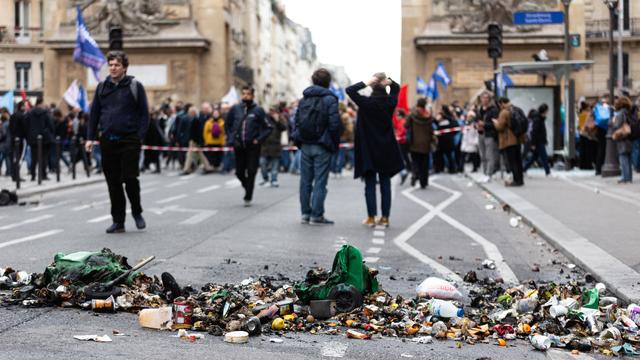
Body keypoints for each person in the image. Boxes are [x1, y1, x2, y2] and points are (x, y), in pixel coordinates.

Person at [86, 50, 150, 234]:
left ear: (124, 67)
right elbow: (94, 115)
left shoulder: (135, 86)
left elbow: (145, 115)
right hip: (108, 141)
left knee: (130, 179)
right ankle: (118, 221)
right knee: (113, 183)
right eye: (111, 65)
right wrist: (90, 138)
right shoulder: (102, 87)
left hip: (129, 139)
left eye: (117, 65)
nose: (113, 68)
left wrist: (139, 137)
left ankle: (137, 212)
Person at [347, 73, 403, 228]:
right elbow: (396, 88)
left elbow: (350, 90)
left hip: (368, 149)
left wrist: (366, 82)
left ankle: (371, 217)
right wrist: (389, 82)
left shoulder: (365, 102)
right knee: (385, 183)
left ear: (372, 87)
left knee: (369, 184)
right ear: (384, 86)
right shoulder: (390, 102)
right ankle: (385, 218)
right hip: (385, 148)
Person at [294, 68, 342, 225]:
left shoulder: (304, 99)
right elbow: (334, 124)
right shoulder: (330, 99)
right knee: (320, 181)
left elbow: (296, 121)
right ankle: (316, 215)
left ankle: (305, 214)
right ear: (328, 82)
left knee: (305, 181)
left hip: (305, 144)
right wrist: (333, 143)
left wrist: (298, 140)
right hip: (322, 144)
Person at [225, 85, 272, 206]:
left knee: (251, 171)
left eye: (248, 94)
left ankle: (248, 195)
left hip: (253, 147)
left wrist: (258, 140)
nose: (245, 96)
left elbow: (268, 128)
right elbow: (227, 124)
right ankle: (247, 187)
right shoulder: (235, 109)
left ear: (252, 96)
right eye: (244, 94)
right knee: (239, 172)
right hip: (239, 145)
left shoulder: (258, 110)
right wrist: (231, 138)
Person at [494, 97, 524, 187]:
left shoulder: (504, 112)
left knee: (512, 161)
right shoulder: (516, 109)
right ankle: (520, 180)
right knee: (518, 160)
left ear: (501, 103)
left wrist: (495, 123)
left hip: (508, 140)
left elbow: (500, 127)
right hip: (518, 138)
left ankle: (516, 180)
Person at [405, 98, 433, 188]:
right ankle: (423, 182)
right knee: (424, 164)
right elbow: (431, 130)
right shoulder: (428, 116)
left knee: (415, 162)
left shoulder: (412, 115)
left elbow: (406, 125)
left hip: (414, 144)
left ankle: (414, 174)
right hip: (425, 144)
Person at [25, 97, 54, 181]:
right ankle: (43, 175)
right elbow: (50, 125)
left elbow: (26, 125)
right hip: (44, 138)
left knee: (34, 158)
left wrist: (29, 135)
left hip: (33, 139)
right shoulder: (45, 113)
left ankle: (33, 175)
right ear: (41, 103)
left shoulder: (29, 113)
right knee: (44, 158)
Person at [260, 106, 287, 187]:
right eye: (271, 111)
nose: (273, 113)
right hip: (265, 146)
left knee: (275, 166)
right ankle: (265, 178)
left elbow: (284, 128)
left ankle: (274, 180)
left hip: (276, 147)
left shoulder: (280, 120)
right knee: (262, 163)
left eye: (274, 112)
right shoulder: (265, 119)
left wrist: (277, 120)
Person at [476, 92, 500, 181]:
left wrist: (484, 124)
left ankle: (489, 174)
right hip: (481, 133)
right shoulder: (479, 109)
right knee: (482, 155)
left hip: (489, 134)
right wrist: (477, 125)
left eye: (486, 98)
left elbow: (495, 124)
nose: (484, 100)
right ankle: (484, 172)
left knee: (489, 155)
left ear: (489, 99)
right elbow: (477, 120)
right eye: (483, 98)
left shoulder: (493, 110)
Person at [523, 104, 551, 175]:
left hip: (539, 141)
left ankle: (524, 169)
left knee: (534, 157)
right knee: (544, 157)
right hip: (538, 142)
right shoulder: (537, 119)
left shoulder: (540, 119)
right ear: (544, 111)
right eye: (547, 111)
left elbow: (542, 131)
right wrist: (533, 143)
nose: (547, 112)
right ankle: (548, 172)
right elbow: (534, 132)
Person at [611, 96, 633, 183]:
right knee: (628, 158)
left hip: (622, 137)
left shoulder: (620, 113)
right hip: (629, 137)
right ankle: (629, 177)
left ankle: (625, 178)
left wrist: (613, 121)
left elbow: (617, 125)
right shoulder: (629, 112)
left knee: (623, 157)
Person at [593, 94, 611, 175]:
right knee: (603, 149)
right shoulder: (606, 107)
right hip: (605, 129)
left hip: (600, 129)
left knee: (600, 149)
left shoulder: (597, 107)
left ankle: (598, 168)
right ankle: (599, 168)